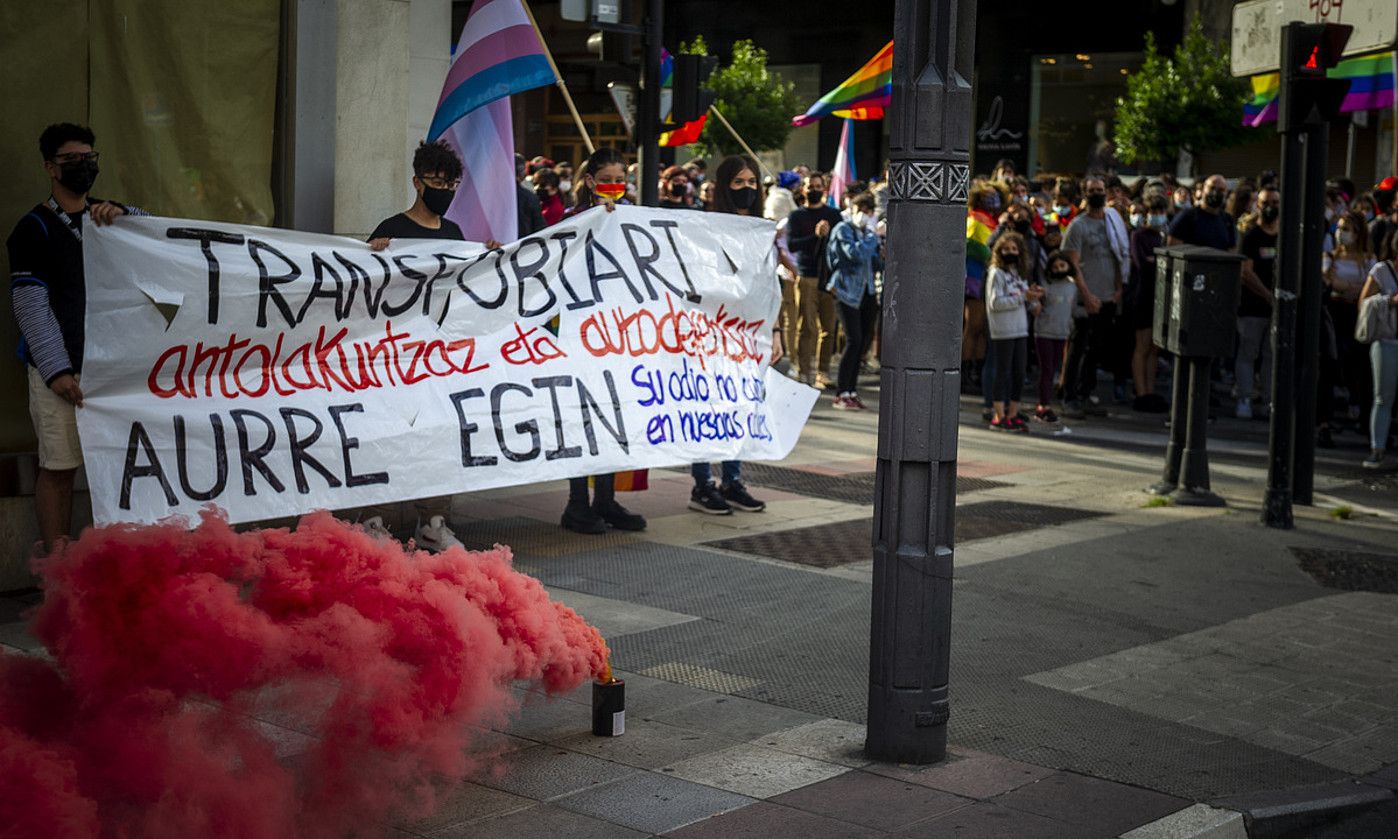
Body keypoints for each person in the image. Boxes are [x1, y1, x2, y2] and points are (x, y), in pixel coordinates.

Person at [365, 140, 505, 551]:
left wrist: (488, 257)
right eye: (436, 181)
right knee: (388, 433)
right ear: (416, 182)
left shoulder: (455, 235)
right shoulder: (392, 230)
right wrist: (371, 255)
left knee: (439, 434)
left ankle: (433, 519)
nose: (444, 189)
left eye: (450, 183)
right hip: (395, 355)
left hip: (438, 356)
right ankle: (376, 518)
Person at [7, 123, 139, 554]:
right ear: (50, 167)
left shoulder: (111, 216)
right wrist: (56, 369)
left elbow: (165, 247)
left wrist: (128, 216)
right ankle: (58, 565)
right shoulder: (33, 228)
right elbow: (30, 304)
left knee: (125, 465)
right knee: (59, 467)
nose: (83, 167)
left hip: (115, 368)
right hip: (64, 369)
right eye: (72, 160)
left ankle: (123, 559)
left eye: (90, 158)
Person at [555, 147, 648, 534]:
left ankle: (605, 500)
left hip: (620, 333)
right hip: (580, 334)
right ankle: (577, 504)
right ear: (591, 182)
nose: (616, 186)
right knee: (584, 416)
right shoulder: (571, 221)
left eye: (621, 180)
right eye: (608, 179)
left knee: (615, 414)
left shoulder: (633, 220)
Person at [688, 155, 773, 515]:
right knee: (707, 407)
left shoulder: (761, 230)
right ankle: (703, 484)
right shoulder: (705, 227)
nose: (747, 189)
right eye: (738, 183)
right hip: (710, 333)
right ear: (724, 187)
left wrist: (777, 330)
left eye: (752, 183)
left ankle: (733, 480)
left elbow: (769, 287)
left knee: (740, 405)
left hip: (748, 335)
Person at [1061, 176, 1128, 417]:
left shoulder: (1113, 222)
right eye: (1093, 190)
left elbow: (1120, 255)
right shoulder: (1078, 226)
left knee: (1096, 349)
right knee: (1079, 346)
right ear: (1084, 194)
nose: (1097, 193)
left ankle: (1086, 393)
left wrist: (1120, 287)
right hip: (1086, 298)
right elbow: (1072, 265)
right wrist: (1087, 295)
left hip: (1109, 295)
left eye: (1101, 190)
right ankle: (1070, 396)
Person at [786, 172, 843, 388]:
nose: (814, 190)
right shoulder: (797, 217)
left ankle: (823, 372)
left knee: (828, 328)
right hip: (807, 275)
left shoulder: (834, 215)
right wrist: (815, 235)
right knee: (806, 327)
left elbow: (840, 244)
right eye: (810, 186)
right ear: (803, 190)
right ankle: (804, 372)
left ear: (825, 190)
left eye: (818, 186)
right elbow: (793, 245)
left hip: (829, 278)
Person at [826, 192, 882, 410]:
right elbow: (854, 255)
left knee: (863, 342)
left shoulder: (867, 233)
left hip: (867, 293)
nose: (865, 216)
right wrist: (872, 237)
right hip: (846, 292)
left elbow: (873, 263)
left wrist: (881, 253)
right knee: (853, 340)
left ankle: (852, 390)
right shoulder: (844, 230)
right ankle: (842, 392)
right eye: (862, 211)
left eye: (869, 212)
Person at [985, 233, 1043, 432]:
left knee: (1019, 372)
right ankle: (998, 413)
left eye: (1014, 249)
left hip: (1020, 329)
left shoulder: (1018, 273)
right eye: (1006, 249)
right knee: (1003, 371)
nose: (1011, 253)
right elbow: (995, 303)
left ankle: (1013, 412)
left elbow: (1024, 298)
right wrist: (1022, 298)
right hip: (1003, 329)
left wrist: (1033, 300)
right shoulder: (996, 273)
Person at [1325, 211, 1376, 434]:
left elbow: (1370, 286)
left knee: (1361, 364)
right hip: (1336, 313)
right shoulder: (1330, 257)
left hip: (1359, 315)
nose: (1341, 234)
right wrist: (1353, 288)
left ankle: (1360, 410)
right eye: (1339, 228)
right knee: (1334, 360)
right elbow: (1332, 283)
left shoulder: (1368, 260)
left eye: (1346, 229)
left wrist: (1350, 288)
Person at [1234, 187, 1280, 420]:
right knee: (1248, 353)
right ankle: (1244, 397)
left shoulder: (1284, 235)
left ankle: (1269, 401)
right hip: (1253, 307)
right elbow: (1246, 272)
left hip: (1277, 310)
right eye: (1266, 202)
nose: (1271, 206)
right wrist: (1268, 295)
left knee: (1271, 357)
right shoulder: (1251, 236)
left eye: (1275, 201)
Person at [1358, 235, 1398, 469]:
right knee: (1383, 396)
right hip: (1386, 340)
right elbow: (1364, 303)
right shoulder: (1381, 270)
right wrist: (1389, 301)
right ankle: (1377, 448)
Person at [1128, 195, 1169, 412]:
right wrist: (1157, 260)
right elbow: (1142, 263)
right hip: (1142, 294)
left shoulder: (1163, 236)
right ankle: (1141, 391)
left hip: (1159, 295)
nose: (1157, 214)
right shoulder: (1138, 235)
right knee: (1142, 345)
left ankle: (1150, 390)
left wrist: (1157, 259)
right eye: (1154, 210)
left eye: (1161, 210)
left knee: (1155, 348)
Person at [1034, 251, 1077, 422]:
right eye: (1056, 266)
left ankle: (1046, 402)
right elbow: (1035, 304)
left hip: (1062, 332)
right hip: (1044, 331)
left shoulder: (1072, 286)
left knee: (1054, 369)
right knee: (1047, 369)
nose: (1059, 269)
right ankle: (1043, 405)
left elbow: (1072, 309)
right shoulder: (1046, 285)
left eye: (1062, 266)